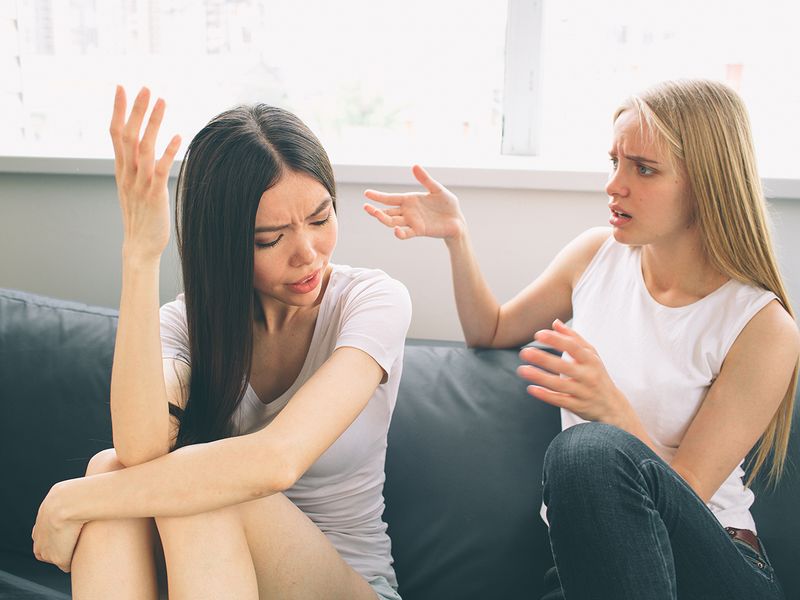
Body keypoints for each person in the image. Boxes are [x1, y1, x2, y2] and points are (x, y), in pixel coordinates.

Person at [363, 79, 798, 599]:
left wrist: (611, 410)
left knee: (585, 448)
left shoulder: (763, 327)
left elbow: (688, 497)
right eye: (614, 161)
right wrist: (458, 237)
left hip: (715, 563)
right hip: (593, 566)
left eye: (644, 168)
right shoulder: (595, 257)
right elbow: (492, 330)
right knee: (585, 454)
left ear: (706, 184)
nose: (615, 185)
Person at [32, 86, 411, 600]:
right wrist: (140, 255)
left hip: (346, 585)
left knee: (197, 492)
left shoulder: (373, 302)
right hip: (216, 579)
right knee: (114, 468)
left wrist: (72, 501)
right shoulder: (189, 322)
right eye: (270, 239)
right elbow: (139, 449)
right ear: (225, 244)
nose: (308, 253)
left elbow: (279, 460)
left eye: (321, 219)